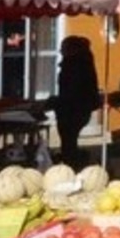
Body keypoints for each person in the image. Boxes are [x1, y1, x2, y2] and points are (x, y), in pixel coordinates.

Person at [48, 35, 101, 168]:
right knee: (69, 140)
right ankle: (73, 160)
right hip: (78, 108)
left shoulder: (75, 66)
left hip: (73, 110)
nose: (61, 51)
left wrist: (57, 102)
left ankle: (72, 163)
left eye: (63, 48)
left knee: (68, 139)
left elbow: (72, 91)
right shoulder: (83, 63)